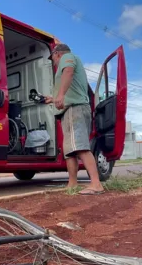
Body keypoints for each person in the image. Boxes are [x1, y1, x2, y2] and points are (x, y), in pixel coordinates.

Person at [44, 43, 105, 195]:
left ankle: (96, 184)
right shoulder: (68, 59)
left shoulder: (68, 57)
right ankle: (72, 184)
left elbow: (69, 72)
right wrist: (53, 98)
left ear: (57, 53)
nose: (54, 62)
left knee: (80, 146)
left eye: (53, 58)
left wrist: (60, 95)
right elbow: (71, 89)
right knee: (70, 150)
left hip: (75, 108)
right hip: (69, 109)